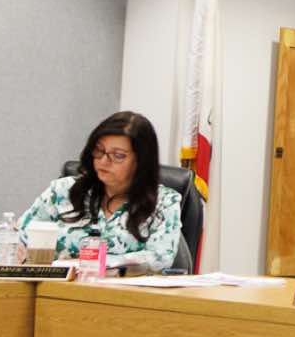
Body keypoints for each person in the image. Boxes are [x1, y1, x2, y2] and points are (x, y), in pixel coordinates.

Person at [17, 111, 182, 274]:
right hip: (56, 287)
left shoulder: (164, 201)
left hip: (120, 289)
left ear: (141, 160)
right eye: (99, 151)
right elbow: (21, 235)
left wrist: (95, 262)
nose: (103, 161)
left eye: (118, 156)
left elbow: (160, 258)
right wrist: (17, 251)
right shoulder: (62, 191)